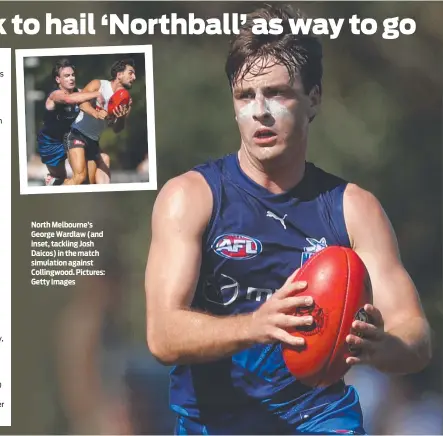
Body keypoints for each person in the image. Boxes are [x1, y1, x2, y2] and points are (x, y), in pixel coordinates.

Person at [145, 5, 432, 435]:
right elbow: (162, 335)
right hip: (213, 424)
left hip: (320, 420)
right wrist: (257, 325)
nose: (260, 111)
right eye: (245, 96)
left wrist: (380, 346)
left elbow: (417, 339)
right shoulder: (191, 198)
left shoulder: (353, 208)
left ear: (313, 97)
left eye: (277, 93)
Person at [62, 58, 136, 185]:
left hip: (93, 141)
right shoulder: (99, 85)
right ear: (119, 75)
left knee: (89, 183)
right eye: (130, 73)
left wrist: (122, 118)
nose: (134, 77)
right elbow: (80, 103)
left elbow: (117, 129)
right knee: (79, 177)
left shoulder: (127, 102)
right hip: (76, 133)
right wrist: (96, 113)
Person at [36, 59, 109, 186]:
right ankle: (55, 183)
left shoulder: (81, 93)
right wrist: (96, 93)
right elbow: (69, 99)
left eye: (73, 75)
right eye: (66, 76)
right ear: (58, 79)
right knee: (60, 178)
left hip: (73, 137)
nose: (71, 78)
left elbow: (93, 104)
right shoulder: (55, 95)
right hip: (51, 143)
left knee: (85, 180)